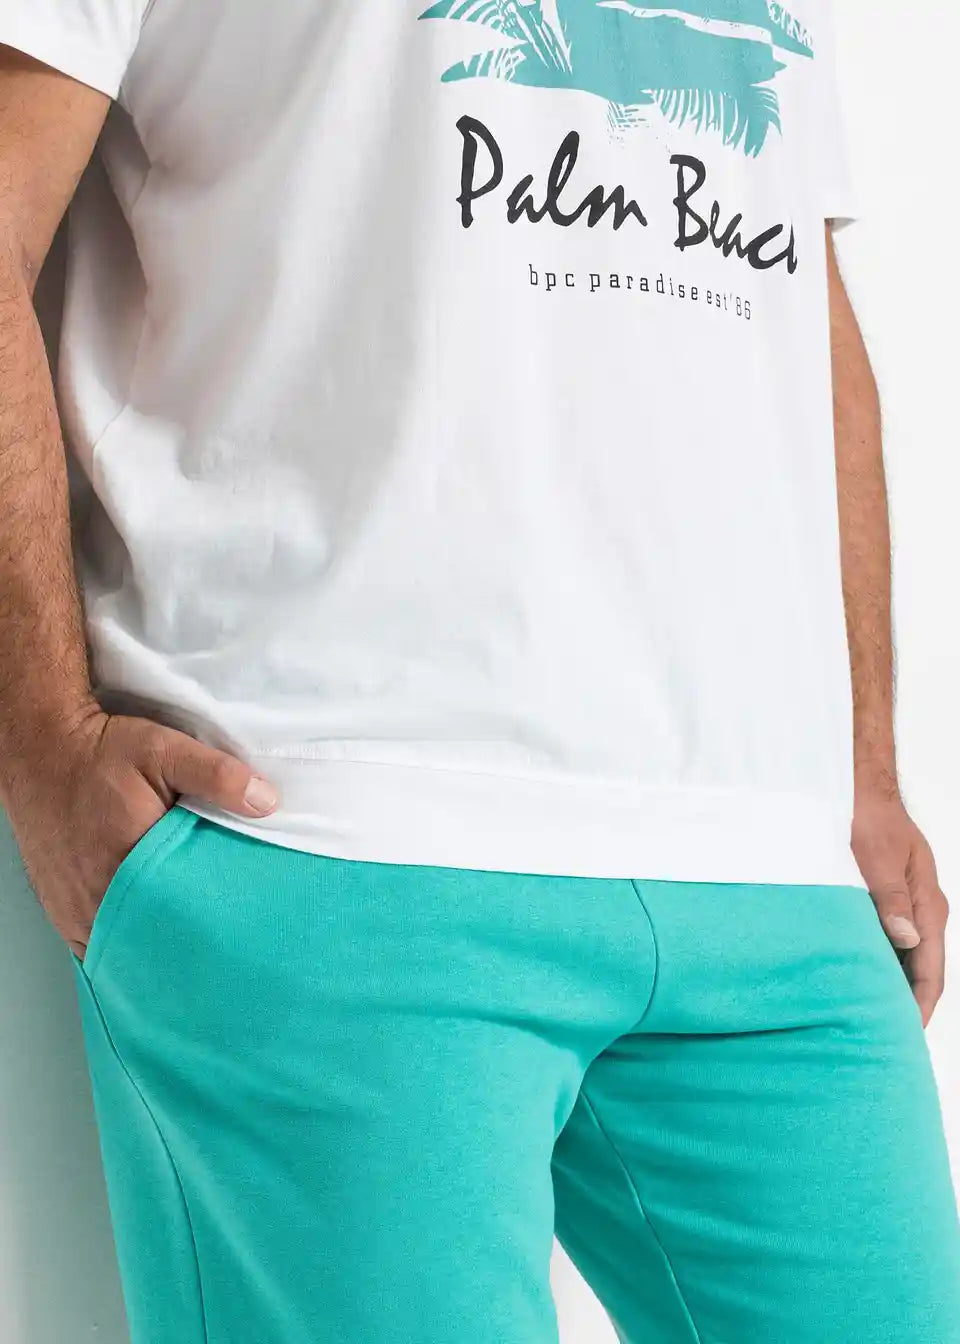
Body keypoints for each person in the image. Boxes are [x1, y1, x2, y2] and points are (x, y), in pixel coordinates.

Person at [0, 2, 957, 1340]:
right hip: (336, 845)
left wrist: (863, 765)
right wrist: (44, 741)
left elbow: (805, 302)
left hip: (771, 881)